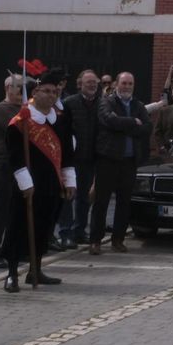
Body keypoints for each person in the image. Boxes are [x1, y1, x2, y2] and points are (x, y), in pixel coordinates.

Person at [2, 68, 77, 293]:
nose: (52, 95)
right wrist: (26, 183)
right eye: (47, 91)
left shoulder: (60, 120)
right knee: (19, 226)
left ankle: (36, 269)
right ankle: (12, 273)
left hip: (52, 182)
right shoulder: (21, 121)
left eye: (55, 92)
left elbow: (67, 153)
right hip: (28, 184)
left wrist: (70, 180)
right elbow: (14, 155)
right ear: (36, 91)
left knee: (45, 226)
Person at [89, 72, 150, 255]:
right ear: (117, 84)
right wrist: (132, 123)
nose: (127, 87)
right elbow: (108, 120)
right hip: (108, 159)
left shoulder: (138, 105)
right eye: (124, 83)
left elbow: (147, 127)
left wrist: (123, 126)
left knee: (124, 203)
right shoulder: (106, 101)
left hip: (129, 162)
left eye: (130, 83)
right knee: (101, 202)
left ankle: (118, 239)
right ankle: (95, 241)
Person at [0, 74, 28, 268]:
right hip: (5, 164)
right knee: (2, 208)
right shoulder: (1, 109)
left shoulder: (23, 108)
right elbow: (17, 129)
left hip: (21, 165)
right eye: (19, 87)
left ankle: (12, 248)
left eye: (24, 87)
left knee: (17, 209)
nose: (21, 91)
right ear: (8, 87)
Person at [60, 69, 101, 247]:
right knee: (68, 196)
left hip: (91, 158)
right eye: (88, 82)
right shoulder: (68, 103)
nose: (92, 85)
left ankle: (79, 231)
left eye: (94, 82)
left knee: (85, 197)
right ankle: (65, 233)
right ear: (80, 85)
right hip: (71, 159)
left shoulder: (103, 103)